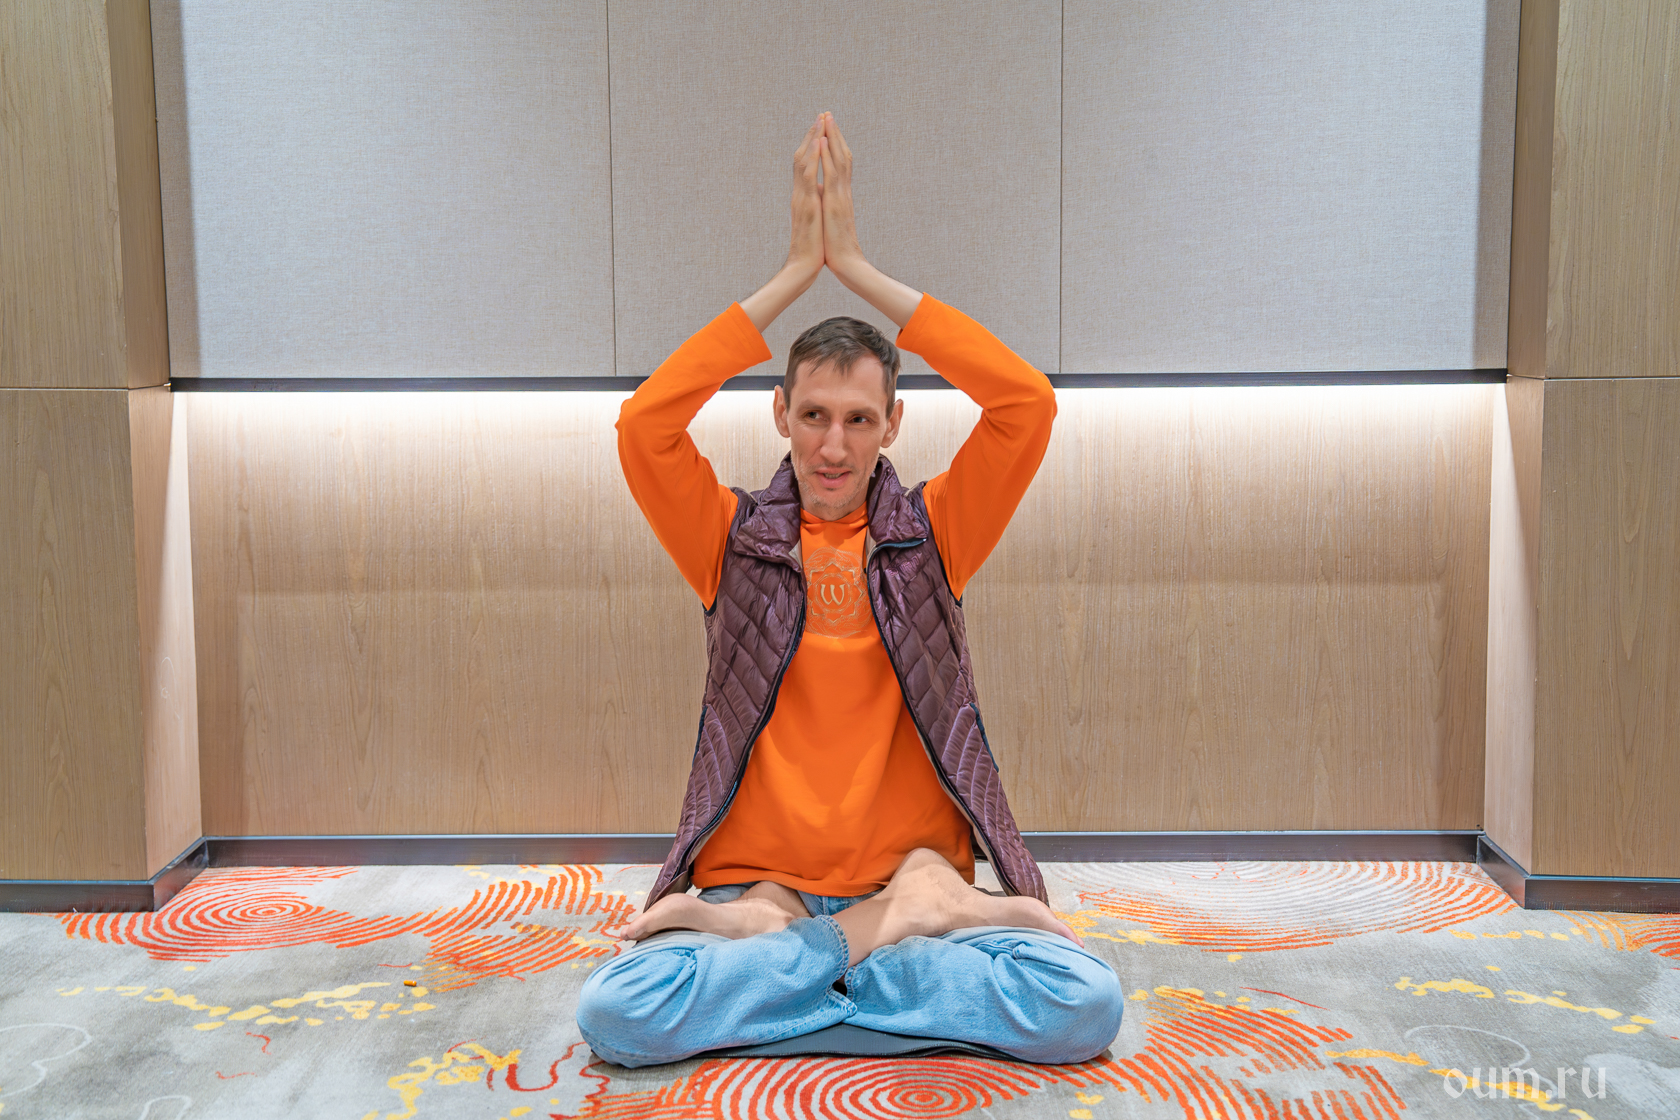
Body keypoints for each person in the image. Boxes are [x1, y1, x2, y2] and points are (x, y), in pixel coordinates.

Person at [576, 112, 1122, 1067]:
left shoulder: (936, 535)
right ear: (780, 413)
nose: (834, 445)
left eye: (860, 419)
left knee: (1085, 1005)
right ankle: (861, 955)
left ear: (894, 423)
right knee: (617, 1012)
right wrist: (794, 273)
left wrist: (858, 268)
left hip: (908, 876)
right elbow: (645, 428)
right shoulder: (729, 539)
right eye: (815, 415)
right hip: (767, 885)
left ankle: (799, 970)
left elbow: (1025, 404)